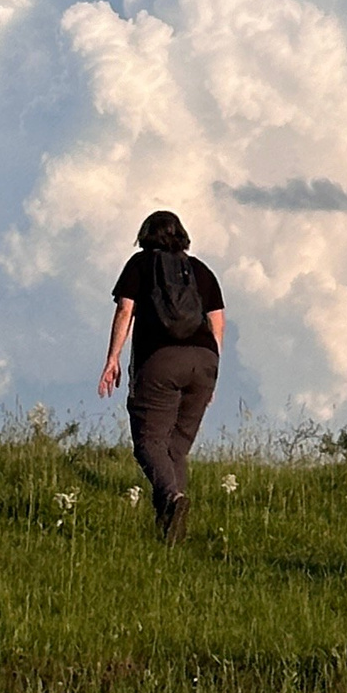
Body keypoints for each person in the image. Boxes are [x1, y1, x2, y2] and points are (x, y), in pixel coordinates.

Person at [99, 210, 225, 543]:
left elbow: (126, 308)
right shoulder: (200, 271)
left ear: (145, 235)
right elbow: (218, 321)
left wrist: (113, 358)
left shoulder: (140, 265)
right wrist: (212, 373)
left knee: (148, 444)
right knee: (175, 450)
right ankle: (171, 532)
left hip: (160, 361)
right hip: (205, 360)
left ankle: (173, 498)